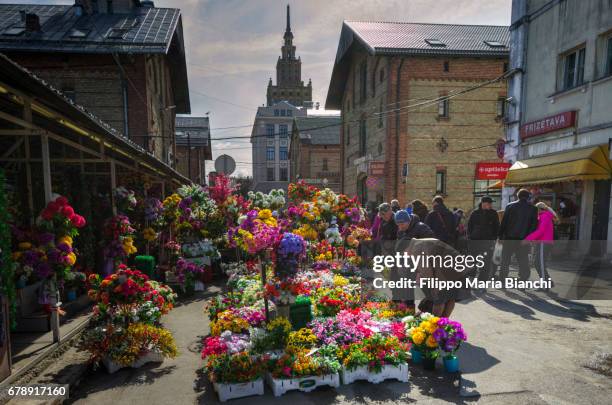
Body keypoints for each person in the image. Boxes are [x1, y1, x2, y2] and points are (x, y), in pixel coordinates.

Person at [394, 210, 434, 313]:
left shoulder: (421, 228)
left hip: (422, 265)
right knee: (408, 291)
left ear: (408, 220)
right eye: (398, 224)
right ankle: (410, 313)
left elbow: (432, 245)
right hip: (408, 265)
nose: (400, 226)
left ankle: (429, 315)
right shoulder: (400, 231)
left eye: (402, 223)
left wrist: (421, 271)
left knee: (429, 291)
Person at [498, 189, 538, 282]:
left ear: (517, 196)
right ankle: (523, 280)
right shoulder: (533, 208)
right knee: (523, 261)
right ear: (528, 197)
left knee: (505, 260)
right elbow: (534, 226)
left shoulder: (510, 206)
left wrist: (500, 237)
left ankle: (502, 279)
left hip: (509, 238)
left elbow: (504, 223)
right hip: (523, 240)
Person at [524, 201, 558, 289]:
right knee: (537, 263)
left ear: (539, 209)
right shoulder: (544, 216)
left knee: (540, 263)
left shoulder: (545, 216)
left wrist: (528, 239)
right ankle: (548, 282)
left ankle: (545, 284)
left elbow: (541, 231)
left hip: (544, 243)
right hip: (542, 243)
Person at [467, 196, 500, 281]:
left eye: (491, 204)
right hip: (475, 241)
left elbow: (497, 228)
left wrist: (494, 239)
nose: (491, 205)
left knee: (486, 263)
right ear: (484, 204)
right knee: (473, 261)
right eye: (489, 203)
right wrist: (470, 238)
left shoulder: (493, 213)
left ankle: (482, 282)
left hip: (488, 242)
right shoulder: (475, 213)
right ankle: (471, 279)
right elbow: (469, 227)